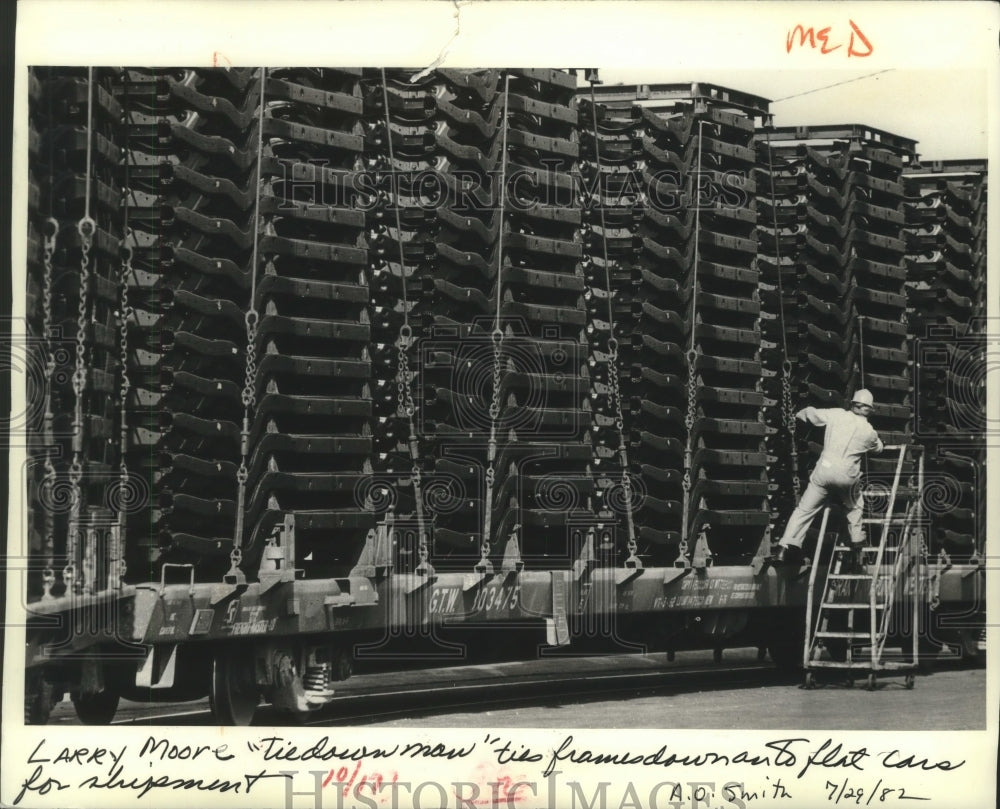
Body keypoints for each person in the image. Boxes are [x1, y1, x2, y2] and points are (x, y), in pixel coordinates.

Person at [769, 389, 884, 566]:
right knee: (855, 505)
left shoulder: (836, 415)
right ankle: (856, 542)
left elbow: (811, 414)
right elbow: (879, 448)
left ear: (853, 404)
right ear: (869, 409)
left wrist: (797, 415)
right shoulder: (870, 432)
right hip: (847, 477)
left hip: (824, 471)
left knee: (804, 511)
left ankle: (784, 548)